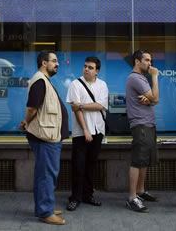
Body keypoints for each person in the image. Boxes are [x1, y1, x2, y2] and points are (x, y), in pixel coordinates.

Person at [19, 51, 69, 225]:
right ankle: (45, 212)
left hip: (50, 136)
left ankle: (45, 206)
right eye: (54, 61)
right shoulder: (40, 81)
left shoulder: (44, 80)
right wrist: (26, 121)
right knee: (46, 175)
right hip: (45, 137)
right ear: (43, 62)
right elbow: (32, 108)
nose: (57, 64)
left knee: (46, 174)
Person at [65, 56, 108, 211]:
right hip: (81, 132)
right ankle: (75, 198)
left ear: (97, 71)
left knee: (91, 165)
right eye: (85, 66)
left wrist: (82, 105)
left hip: (98, 130)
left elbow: (101, 105)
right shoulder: (75, 84)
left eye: (90, 67)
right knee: (78, 166)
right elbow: (75, 111)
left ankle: (88, 195)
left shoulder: (102, 85)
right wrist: (85, 130)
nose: (86, 69)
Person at [124, 50, 160, 213]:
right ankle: (132, 198)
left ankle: (140, 191)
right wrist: (155, 77)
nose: (149, 63)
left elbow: (154, 100)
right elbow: (156, 98)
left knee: (144, 160)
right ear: (137, 62)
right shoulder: (135, 78)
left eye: (150, 60)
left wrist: (150, 99)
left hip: (148, 124)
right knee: (138, 161)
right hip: (140, 125)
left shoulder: (141, 78)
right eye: (146, 60)